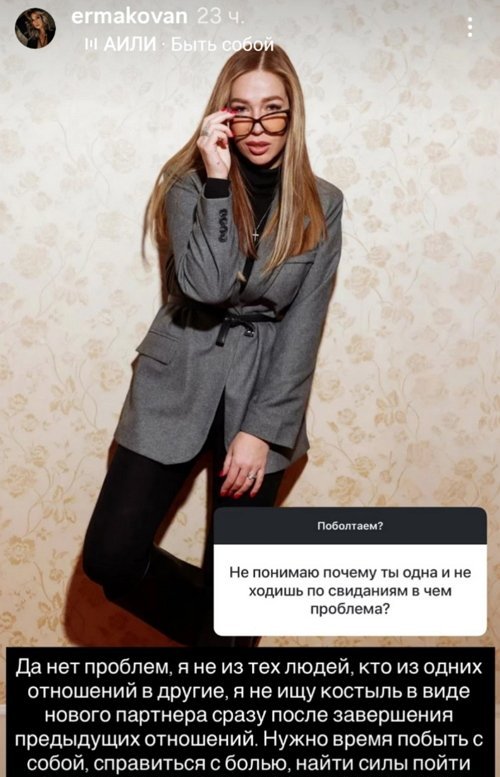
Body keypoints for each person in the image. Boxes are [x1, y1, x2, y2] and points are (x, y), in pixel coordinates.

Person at [83, 44, 343, 647]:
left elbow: (305, 324)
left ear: (293, 113)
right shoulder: (187, 183)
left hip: (260, 391)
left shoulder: (323, 202)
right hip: (177, 376)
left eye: (272, 109)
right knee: (111, 556)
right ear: (222, 114)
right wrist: (219, 182)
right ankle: (224, 627)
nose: (258, 126)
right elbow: (206, 286)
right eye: (241, 110)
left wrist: (262, 430)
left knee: (239, 601)